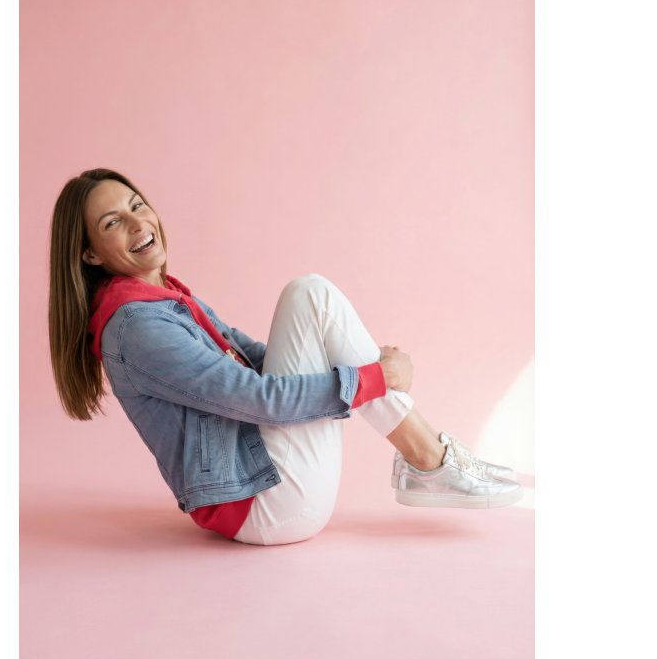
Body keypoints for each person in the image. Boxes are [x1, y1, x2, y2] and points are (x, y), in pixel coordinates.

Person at [48, 168, 522, 546]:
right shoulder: (138, 328)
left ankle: (429, 461)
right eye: (112, 223)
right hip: (266, 507)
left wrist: (362, 364)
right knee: (311, 294)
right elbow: (261, 398)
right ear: (90, 255)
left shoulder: (164, 299)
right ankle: (429, 460)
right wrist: (377, 377)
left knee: (310, 295)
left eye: (136, 205)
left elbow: (256, 358)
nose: (137, 223)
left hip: (266, 476)